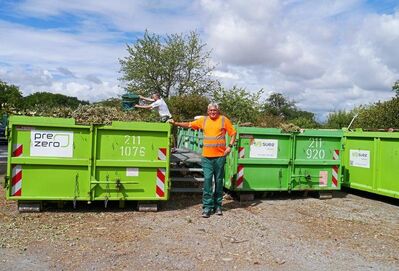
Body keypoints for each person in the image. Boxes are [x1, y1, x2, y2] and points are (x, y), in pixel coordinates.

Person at [168, 103, 236, 218]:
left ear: (218, 111)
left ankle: (218, 205)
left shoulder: (224, 120)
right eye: (210, 110)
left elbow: (233, 133)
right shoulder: (203, 121)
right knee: (208, 180)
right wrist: (175, 123)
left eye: (214, 110)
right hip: (207, 157)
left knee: (219, 181)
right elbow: (189, 125)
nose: (212, 112)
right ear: (207, 111)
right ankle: (207, 207)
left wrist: (229, 146)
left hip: (220, 157)